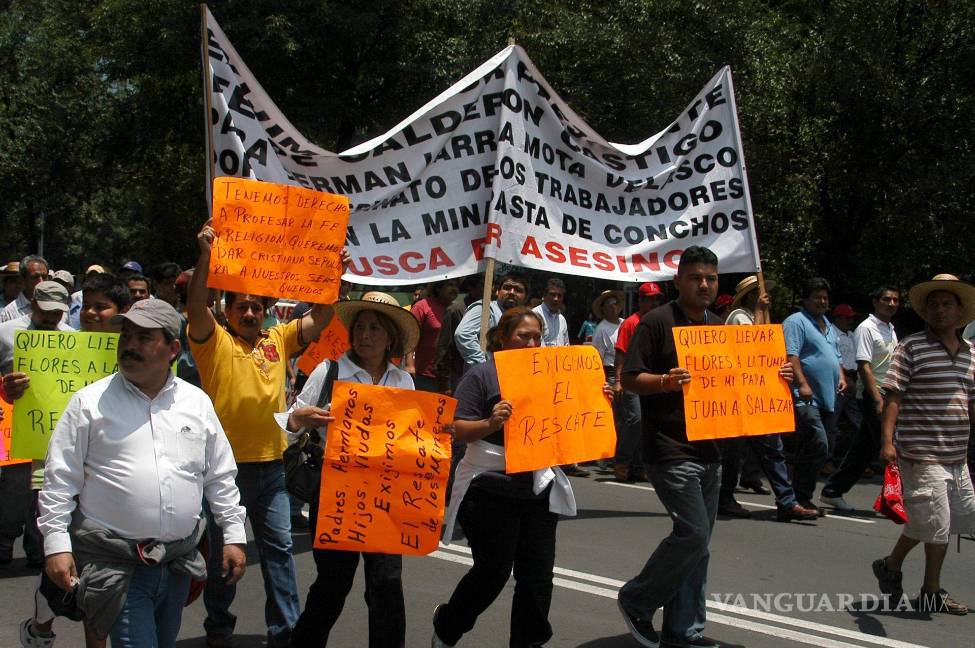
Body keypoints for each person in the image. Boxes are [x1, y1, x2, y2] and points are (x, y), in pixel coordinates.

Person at [33, 299, 247, 647]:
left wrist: (234, 535)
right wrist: (56, 546)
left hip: (177, 565)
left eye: (144, 337)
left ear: (173, 349)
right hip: (117, 567)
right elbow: (59, 481)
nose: (129, 345)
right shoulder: (89, 403)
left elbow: (219, 475)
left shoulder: (196, 404)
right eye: (126, 335)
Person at [617, 247, 795, 648]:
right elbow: (629, 379)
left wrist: (776, 374)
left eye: (711, 279)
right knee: (693, 535)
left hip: (711, 451)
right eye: (695, 277)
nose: (704, 285)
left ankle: (684, 631)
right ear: (678, 281)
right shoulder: (656, 323)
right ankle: (637, 598)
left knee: (700, 547)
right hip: (669, 450)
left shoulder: (719, 328)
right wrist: (665, 380)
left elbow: (743, 380)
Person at [189, 219, 349, 647]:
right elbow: (195, 305)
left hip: (272, 469)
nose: (248, 313)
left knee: (279, 551)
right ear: (227, 312)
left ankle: (286, 631)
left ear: (266, 312)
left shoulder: (278, 338)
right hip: (224, 474)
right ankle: (218, 625)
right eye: (240, 306)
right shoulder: (213, 342)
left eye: (255, 307)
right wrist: (206, 257)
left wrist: (333, 274)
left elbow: (321, 315)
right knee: (227, 553)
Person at [432, 307, 589, 648]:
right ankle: (448, 625)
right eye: (523, 336)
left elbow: (571, 424)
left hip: (538, 489)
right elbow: (453, 428)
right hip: (490, 489)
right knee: (492, 574)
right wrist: (490, 424)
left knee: (537, 579)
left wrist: (595, 400)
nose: (532, 343)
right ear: (502, 339)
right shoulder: (482, 376)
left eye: (537, 337)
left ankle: (527, 643)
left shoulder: (552, 379)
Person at [278, 291, 418, 647]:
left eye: (374, 328)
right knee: (333, 584)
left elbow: (411, 442)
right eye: (360, 327)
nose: (365, 335)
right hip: (337, 496)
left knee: (386, 585)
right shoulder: (329, 370)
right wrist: (299, 419)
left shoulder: (404, 382)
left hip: (385, 499)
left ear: (390, 338)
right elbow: (289, 423)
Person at [872, 274, 975, 615]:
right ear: (926, 311)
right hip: (922, 453)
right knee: (936, 523)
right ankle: (930, 590)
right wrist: (887, 442)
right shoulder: (912, 347)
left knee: (944, 523)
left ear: (960, 312)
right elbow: (893, 397)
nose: (940, 310)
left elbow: (970, 401)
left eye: (947, 304)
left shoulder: (971, 353)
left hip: (957, 455)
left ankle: (891, 564)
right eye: (934, 305)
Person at [719, 276, 817, 522]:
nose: (766, 296)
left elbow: (769, 355)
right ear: (750, 296)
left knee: (773, 448)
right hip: (740, 396)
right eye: (760, 293)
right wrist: (761, 312)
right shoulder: (739, 317)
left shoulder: (759, 317)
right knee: (733, 451)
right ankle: (725, 498)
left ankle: (786, 502)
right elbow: (752, 347)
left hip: (760, 397)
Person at [820, 287, 899, 511]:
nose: (891, 304)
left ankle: (832, 490)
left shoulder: (890, 329)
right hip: (874, 395)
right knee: (891, 446)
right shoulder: (867, 328)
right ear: (875, 302)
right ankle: (895, 499)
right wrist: (876, 399)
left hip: (888, 393)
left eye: (895, 300)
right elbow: (864, 366)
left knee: (864, 449)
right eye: (886, 299)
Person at [783, 277, 846, 515]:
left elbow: (836, 356)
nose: (822, 301)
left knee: (817, 446)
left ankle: (797, 498)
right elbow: (792, 355)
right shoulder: (796, 322)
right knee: (818, 443)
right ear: (805, 299)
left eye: (825, 297)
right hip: (806, 396)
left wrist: (840, 376)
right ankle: (799, 495)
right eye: (817, 296)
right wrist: (802, 383)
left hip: (829, 397)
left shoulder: (827, 325)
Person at [611, 282, 665, 483]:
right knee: (635, 420)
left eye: (656, 299)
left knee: (647, 423)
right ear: (640, 300)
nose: (654, 303)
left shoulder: (659, 322)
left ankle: (637, 465)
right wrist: (617, 381)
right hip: (631, 379)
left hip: (651, 380)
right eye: (650, 299)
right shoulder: (630, 323)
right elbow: (620, 353)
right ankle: (622, 462)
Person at [453, 272, 529, 367]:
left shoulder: (527, 318)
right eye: (507, 288)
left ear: (526, 297)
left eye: (518, 290)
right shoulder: (485, 308)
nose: (511, 292)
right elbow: (463, 334)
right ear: (498, 291)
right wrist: (484, 366)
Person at [826, 303, 862, 473]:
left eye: (852, 318)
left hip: (853, 378)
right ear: (838, 317)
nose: (850, 321)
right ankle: (826, 460)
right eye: (847, 318)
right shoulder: (831, 333)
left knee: (858, 423)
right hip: (838, 379)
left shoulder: (852, 335)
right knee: (832, 423)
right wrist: (846, 378)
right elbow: (833, 359)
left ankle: (853, 461)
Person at [411, 280, 459, 392]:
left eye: (456, 285)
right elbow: (411, 336)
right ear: (438, 288)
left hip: (448, 378)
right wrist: (410, 365)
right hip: (423, 375)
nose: (454, 289)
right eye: (450, 285)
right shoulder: (422, 306)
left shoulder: (456, 310)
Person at [1, 255, 50, 323]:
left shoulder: (59, 310)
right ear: (23, 279)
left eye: (44, 277)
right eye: (35, 277)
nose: (41, 281)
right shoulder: (9, 313)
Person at [533, 277, 569, 347]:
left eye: (559, 296)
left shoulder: (562, 319)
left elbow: (566, 344)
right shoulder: (534, 316)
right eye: (552, 294)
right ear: (544, 295)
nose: (556, 299)